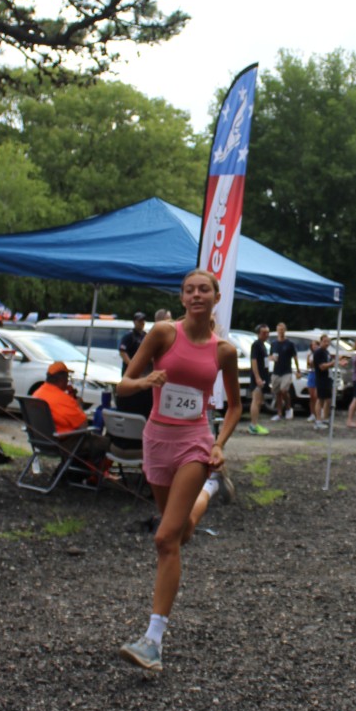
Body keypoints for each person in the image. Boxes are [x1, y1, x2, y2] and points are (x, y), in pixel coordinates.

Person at [116, 269, 241, 673]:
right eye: (189, 290)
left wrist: (218, 444)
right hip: (157, 441)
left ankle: (152, 641)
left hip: (194, 443)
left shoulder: (225, 351)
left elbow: (235, 406)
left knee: (165, 538)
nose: (196, 295)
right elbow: (123, 385)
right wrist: (146, 381)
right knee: (182, 530)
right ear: (182, 298)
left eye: (204, 289)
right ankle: (210, 492)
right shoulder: (163, 333)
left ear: (216, 297)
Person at [32, 362, 110, 468]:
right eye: (67, 378)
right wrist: (78, 406)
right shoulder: (64, 399)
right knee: (106, 443)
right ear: (62, 379)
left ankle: (73, 471)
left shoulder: (37, 394)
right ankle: (95, 474)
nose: (68, 382)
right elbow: (84, 427)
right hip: (62, 444)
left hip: (39, 441)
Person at [118, 311, 154, 418]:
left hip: (143, 373)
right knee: (130, 396)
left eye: (143, 321)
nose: (141, 323)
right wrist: (132, 365)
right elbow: (122, 352)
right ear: (134, 322)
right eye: (139, 321)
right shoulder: (129, 336)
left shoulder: (145, 336)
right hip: (130, 372)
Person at [269, 322, 301, 420]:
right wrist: (272, 358)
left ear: (285, 330)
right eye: (279, 330)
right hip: (276, 371)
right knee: (277, 393)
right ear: (277, 331)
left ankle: (288, 408)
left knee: (284, 390)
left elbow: (295, 357)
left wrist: (298, 370)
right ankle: (279, 413)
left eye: (282, 330)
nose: (281, 331)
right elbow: (270, 356)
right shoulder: (274, 344)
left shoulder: (290, 344)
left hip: (286, 371)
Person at [248, 322, 271, 435]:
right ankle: (253, 425)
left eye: (267, 333)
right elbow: (254, 361)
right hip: (258, 378)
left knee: (259, 401)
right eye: (264, 333)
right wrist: (257, 377)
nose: (266, 335)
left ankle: (255, 423)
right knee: (256, 400)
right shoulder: (256, 345)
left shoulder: (263, 345)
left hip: (263, 377)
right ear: (258, 333)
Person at [312, 332, 335, 429]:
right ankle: (318, 420)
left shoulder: (326, 352)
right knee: (320, 399)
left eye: (328, 342)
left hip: (327, 377)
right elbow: (321, 366)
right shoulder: (319, 352)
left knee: (328, 399)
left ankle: (325, 418)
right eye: (325, 341)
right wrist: (332, 363)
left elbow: (328, 364)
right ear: (320, 342)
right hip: (321, 378)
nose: (326, 343)